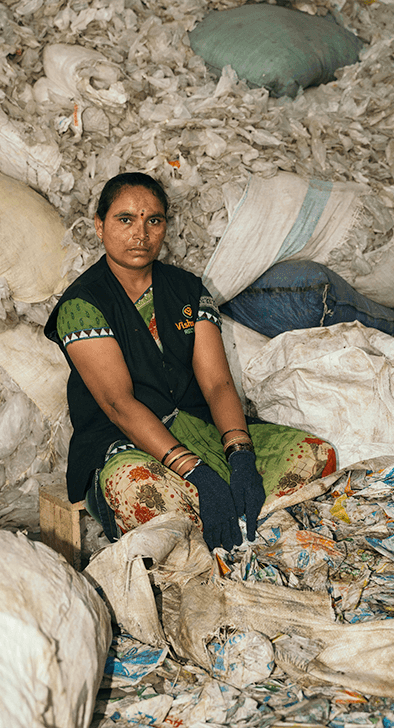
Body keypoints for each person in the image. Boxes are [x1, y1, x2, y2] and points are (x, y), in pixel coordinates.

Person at [43, 172, 337, 551]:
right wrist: (198, 473)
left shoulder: (187, 289)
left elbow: (217, 384)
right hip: (128, 441)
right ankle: (235, 524)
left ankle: (239, 521)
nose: (141, 233)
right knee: (142, 493)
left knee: (316, 454)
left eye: (154, 220)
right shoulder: (83, 304)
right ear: (100, 226)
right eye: (125, 219)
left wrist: (241, 456)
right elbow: (119, 404)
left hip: (200, 428)